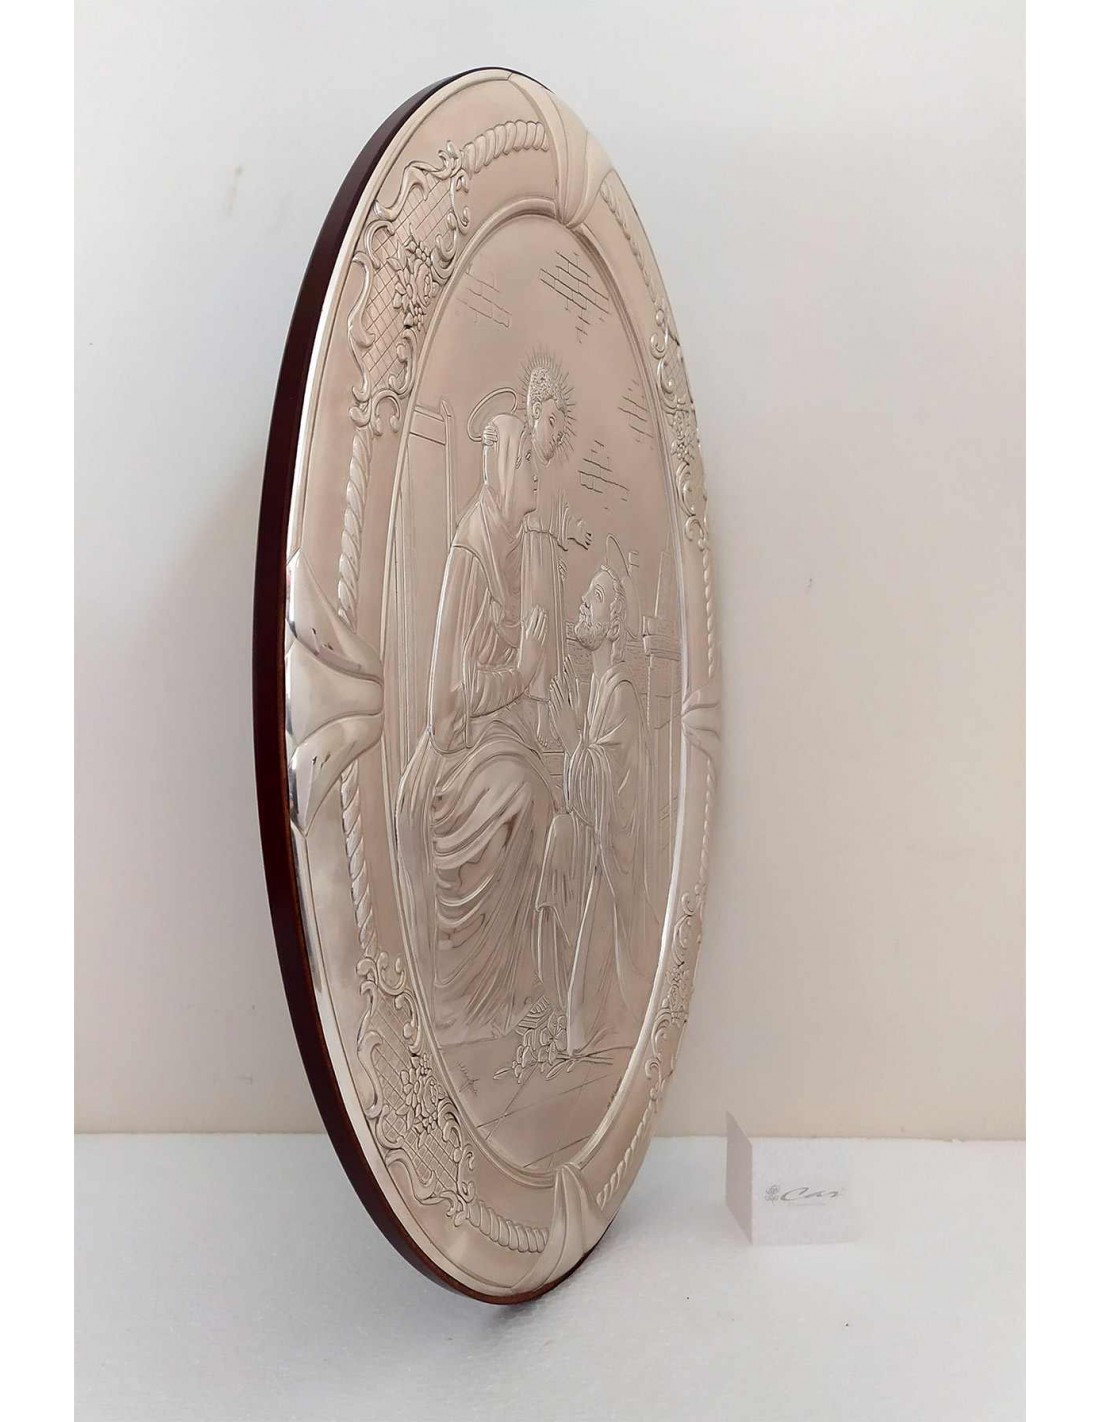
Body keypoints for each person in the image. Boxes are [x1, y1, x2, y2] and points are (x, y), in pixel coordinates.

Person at [395, 414, 554, 1043]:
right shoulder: (470, 550)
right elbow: (444, 703)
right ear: (508, 465)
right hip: (452, 759)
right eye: (528, 461)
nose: (537, 475)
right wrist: (521, 673)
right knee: (525, 790)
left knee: (541, 789)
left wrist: (529, 670)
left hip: (489, 737)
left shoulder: (511, 547)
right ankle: (469, 1000)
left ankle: (500, 989)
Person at [534, 538, 658, 1055]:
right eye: (587, 594)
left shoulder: (621, 696)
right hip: (595, 841)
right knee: (558, 831)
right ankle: (554, 987)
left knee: (564, 833)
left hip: (614, 863)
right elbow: (584, 797)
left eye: (597, 597)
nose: (584, 602)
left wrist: (570, 741)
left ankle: (586, 1005)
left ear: (613, 626)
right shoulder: (599, 688)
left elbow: (612, 799)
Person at [518, 355, 591, 744]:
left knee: (551, 647)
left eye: (560, 434)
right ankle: (528, 720)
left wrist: (572, 531)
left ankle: (547, 725)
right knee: (532, 635)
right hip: (527, 563)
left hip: (547, 565)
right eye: (550, 424)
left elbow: (558, 516)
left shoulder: (552, 474)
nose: (555, 438)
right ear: (534, 411)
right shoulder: (520, 458)